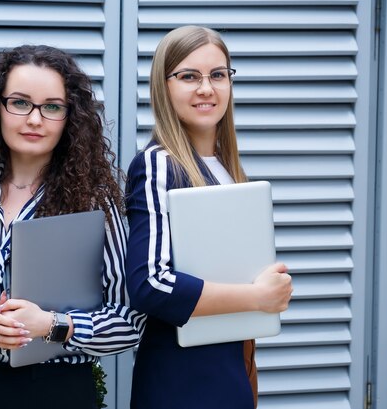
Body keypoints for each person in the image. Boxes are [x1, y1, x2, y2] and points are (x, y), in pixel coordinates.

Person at [0, 44, 144, 409]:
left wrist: (52, 325)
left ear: (70, 118)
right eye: (20, 102)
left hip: (60, 390)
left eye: (52, 107)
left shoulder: (95, 204)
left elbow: (129, 321)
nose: (35, 119)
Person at [125, 25, 293, 409]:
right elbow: (149, 284)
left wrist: (270, 288)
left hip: (232, 362)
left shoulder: (225, 165)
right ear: (163, 87)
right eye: (189, 76)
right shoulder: (157, 164)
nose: (206, 88)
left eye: (218, 75)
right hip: (183, 376)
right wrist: (256, 297)